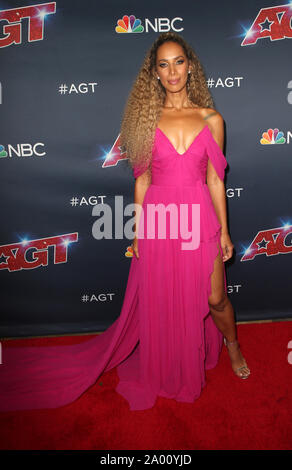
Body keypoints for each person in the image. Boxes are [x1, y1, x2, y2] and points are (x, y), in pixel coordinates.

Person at [0, 32, 249, 413]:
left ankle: (232, 346)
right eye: (163, 65)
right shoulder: (147, 121)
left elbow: (217, 179)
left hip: (200, 219)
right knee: (166, 300)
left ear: (190, 66)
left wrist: (226, 231)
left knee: (216, 297)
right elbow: (143, 180)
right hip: (162, 223)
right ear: (155, 74)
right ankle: (173, 363)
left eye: (178, 62)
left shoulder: (212, 119)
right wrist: (137, 233)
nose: (172, 72)